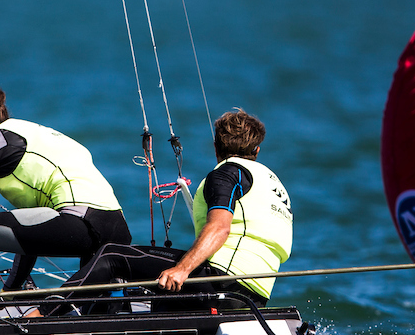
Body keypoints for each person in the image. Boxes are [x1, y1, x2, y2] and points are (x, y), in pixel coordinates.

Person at [34, 108, 292, 315]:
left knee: (112, 254)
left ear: (216, 147)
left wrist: (183, 269)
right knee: (153, 288)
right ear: (257, 150)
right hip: (255, 297)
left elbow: (220, 227)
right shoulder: (273, 184)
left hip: (221, 285)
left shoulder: (226, 173)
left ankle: (41, 314)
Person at [0, 74, 131, 304]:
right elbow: (31, 233)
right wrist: (8, 294)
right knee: (100, 314)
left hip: (83, 223)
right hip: (118, 229)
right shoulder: (32, 132)